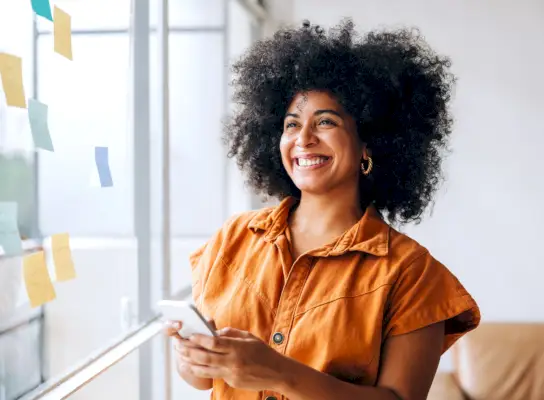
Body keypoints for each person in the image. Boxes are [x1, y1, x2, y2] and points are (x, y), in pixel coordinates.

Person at [166, 19, 480, 400]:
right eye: (291, 124)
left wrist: (279, 373)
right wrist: (193, 357)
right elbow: (202, 381)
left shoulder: (411, 273)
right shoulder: (233, 239)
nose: (303, 139)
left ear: (370, 142)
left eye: (325, 121)